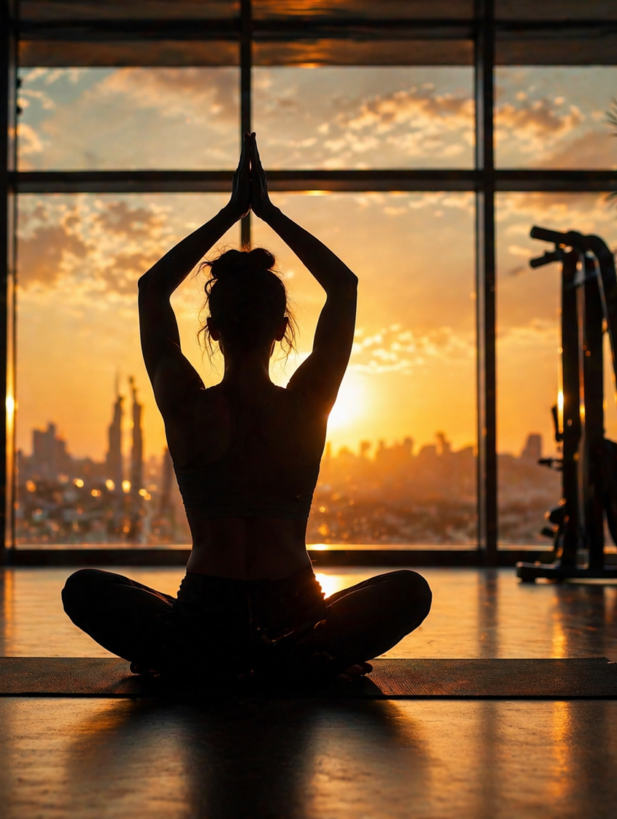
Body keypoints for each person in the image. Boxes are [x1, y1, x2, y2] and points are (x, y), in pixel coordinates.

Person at [63, 133, 431, 684]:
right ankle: (306, 654)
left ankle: (193, 656)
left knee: (85, 589)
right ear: (283, 330)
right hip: (297, 616)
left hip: (203, 621)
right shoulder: (307, 404)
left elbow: (151, 290)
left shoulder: (185, 403)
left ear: (211, 329)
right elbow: (344, 287)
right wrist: (269, 211)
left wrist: (230, 211)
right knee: (409, 590)